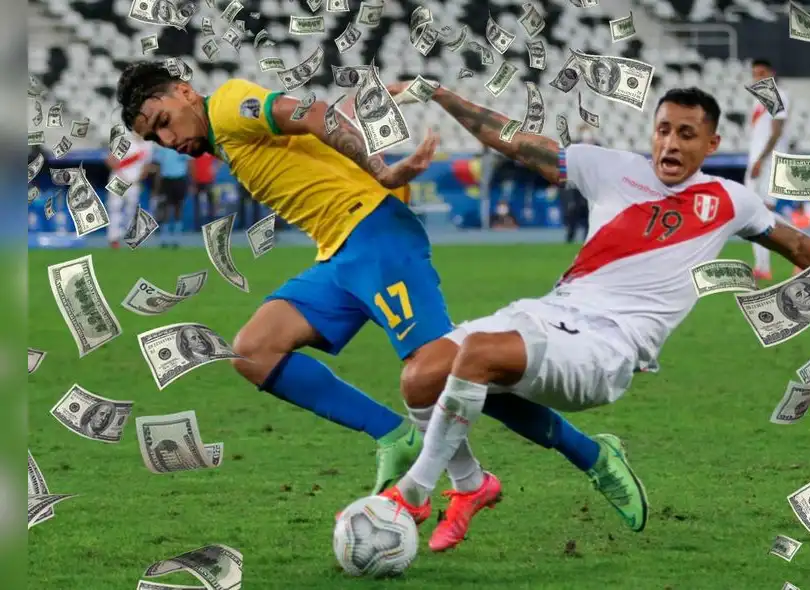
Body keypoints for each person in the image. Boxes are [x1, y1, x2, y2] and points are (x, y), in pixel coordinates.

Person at [377, 80, 810, 551]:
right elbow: (514, 142)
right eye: (663, 130)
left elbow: (795, 244)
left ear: (711, 144)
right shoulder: (610, 168)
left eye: (686, 134)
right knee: (420, 376)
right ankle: (470, 484)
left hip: (609, 347)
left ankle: (413, 492)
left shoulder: (730, 201)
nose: (670, 144)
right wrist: (440, 94)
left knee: (477, 355)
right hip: (551, 310)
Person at [117, 62, 605, 502]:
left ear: (185, 92)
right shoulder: (225, 134)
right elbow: (316, 123)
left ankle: (590, 454)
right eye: (154, 136)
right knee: (254, 351)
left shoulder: (226, 106)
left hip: (374, 233)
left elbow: (315, 113)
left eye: (163, 121)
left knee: (442, 372)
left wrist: (381, 171)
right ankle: (399, 438)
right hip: (339, 253)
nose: (167, 138)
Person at [745, 58, 791, 281]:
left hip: (768, 162)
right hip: (758, 161)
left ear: (772, 73)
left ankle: (808, 249)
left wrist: (760, 161)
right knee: (758, 214)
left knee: (761, 212)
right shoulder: (758, 101)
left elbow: (776, 132)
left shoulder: (777, 95)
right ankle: (762, 267)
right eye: (755, 74)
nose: (758, 78)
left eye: (762, 73)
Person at [105, 131, 154, 248]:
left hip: (134, 182)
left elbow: (146, 165)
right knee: (115, 208)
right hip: (118, 180)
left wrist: (139, 179)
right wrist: (122, 175)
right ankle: (113, 238)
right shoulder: (126, 142)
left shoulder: (148, 146)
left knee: (131, 210)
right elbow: (110, 160)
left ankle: (130, 237)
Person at [151, 141, 192, 247]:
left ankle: (177, 237)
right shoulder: (162, 148)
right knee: (165, 208)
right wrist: (156, 187)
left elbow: (189, 165)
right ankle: (165, 237)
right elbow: (158, 168)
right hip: (166, 180)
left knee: (178, 207)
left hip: (180, 179)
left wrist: (191, 182)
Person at [190, 151, 218, 228]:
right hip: (197, 181)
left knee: (211, 203)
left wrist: (215, 168)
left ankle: (212, 224)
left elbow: (219, 158)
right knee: (197, 204)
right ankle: (197, 226)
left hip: (209, 180)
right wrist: (192, 181)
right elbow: (191, 164)